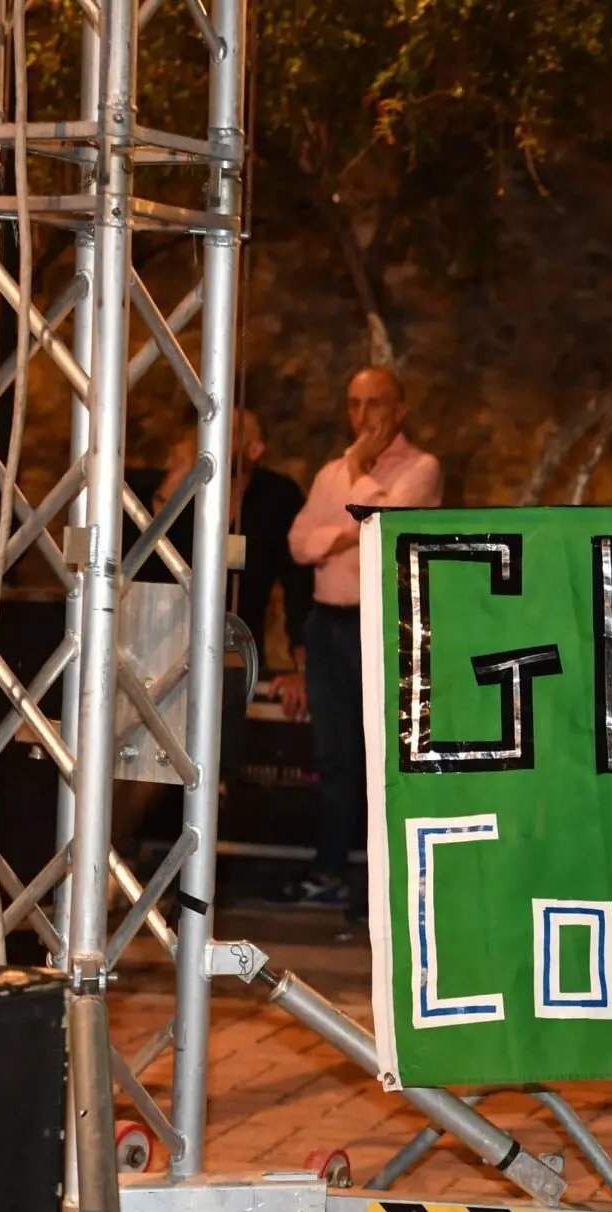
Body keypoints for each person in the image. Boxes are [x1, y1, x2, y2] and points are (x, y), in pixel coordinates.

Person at [287, 367, 444, 923]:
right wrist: (340, 535)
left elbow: (385, 526)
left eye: (375, 404)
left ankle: (390, 889)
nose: (363, 416)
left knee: (385, 757)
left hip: (382, 624)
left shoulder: (421, 469)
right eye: (354, 404)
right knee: (334, 758)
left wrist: (357, 482)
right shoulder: (332, 473)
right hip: (326, 625)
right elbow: (299, 543)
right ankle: (330, 873)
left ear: (399, 410)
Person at [137, 407, 313, 714]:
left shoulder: (277, 496)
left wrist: (303, 671)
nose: (211, 439)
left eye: (228, 432)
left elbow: (300, 586)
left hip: (237, 652)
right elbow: (145, 565)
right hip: (164, 651)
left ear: (255, 450)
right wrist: (174, 482)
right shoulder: (184, 492)